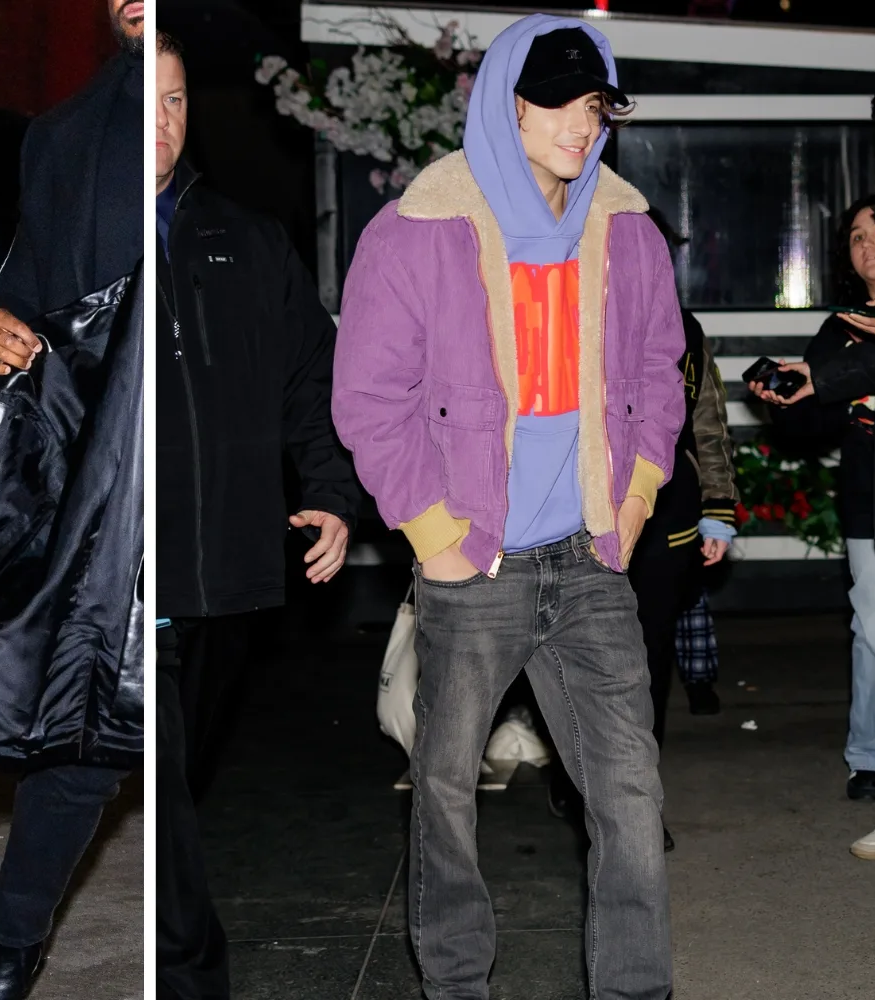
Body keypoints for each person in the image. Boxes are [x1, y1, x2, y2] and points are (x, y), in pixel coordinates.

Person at [332, 15, 685, 999]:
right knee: (444, 801)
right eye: (559, 101)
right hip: (474, 562)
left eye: (596, 104)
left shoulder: (627, 230)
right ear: (507, 102)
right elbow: (368, 395)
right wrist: (434, 534)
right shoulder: (421, 227)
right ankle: (457, 988)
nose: (581, 124)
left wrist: (639, 493)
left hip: (589, 559)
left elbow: (662, 371)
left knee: (630, 796)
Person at [153, 29, 362, 999]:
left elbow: (308, 379)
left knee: (176, 781)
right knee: (156, 783)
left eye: (178, 98)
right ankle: (194, 970)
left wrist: (327, 493)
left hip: (230, 566)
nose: (161, 120)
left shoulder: (246, 237)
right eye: (144, 99)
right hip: (127, 564)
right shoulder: (77, 235)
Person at [0, 1, 143, 996]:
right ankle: (14, 943)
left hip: (202, 485)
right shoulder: (63, 132)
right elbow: (18, 278)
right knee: (87, 716)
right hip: (98, 475)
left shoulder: (213, 147)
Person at [547, 210, 739, 852]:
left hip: (666, 521)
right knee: (575, 655)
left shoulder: (682, 325)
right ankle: (580, 783)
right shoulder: (562, 309)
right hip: (575, 510)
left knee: (647, 661)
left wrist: (719, 503)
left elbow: (706, 420)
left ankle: (631, 803)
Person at [752, 86, 875, 858]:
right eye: (854, 238)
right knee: (874, 630)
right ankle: (872, 757)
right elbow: (810, 416)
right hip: (870, 496)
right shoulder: (840, 328)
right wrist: (780, 394)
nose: (865, 248)